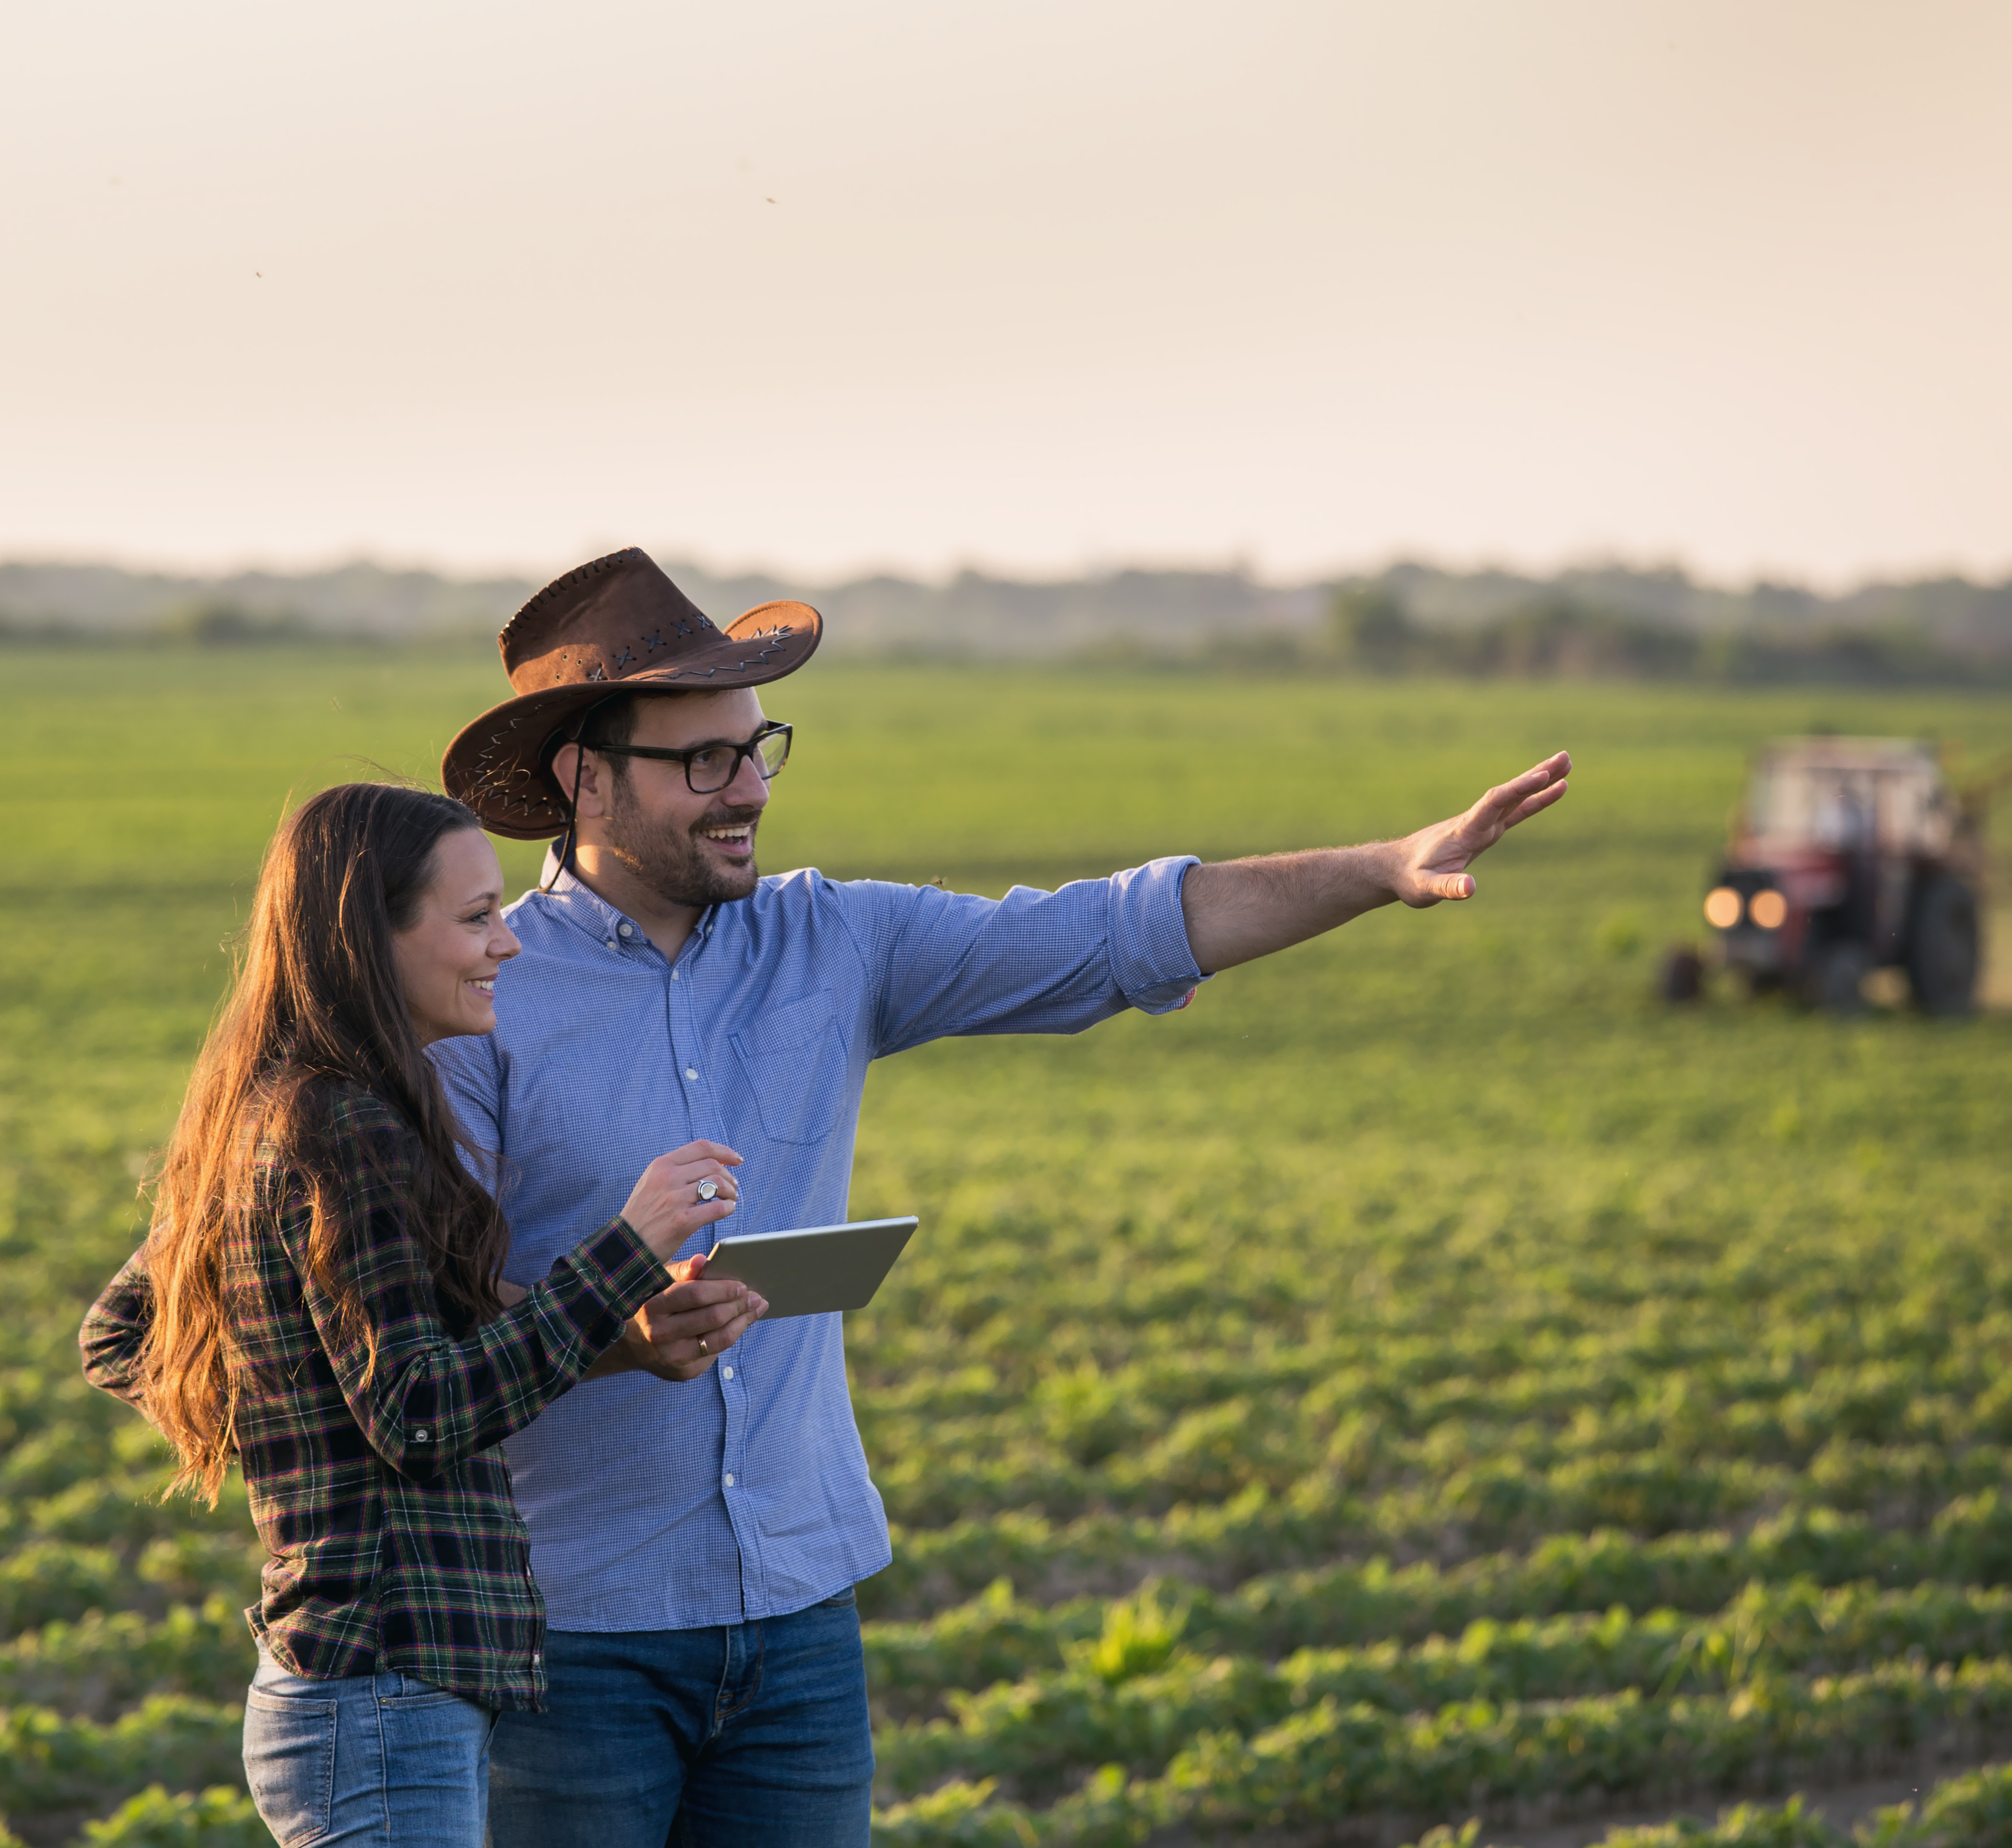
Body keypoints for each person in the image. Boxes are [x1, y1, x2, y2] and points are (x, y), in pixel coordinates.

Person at [433, 548, 1574, 1847]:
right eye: (703, 760)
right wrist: (611, 1334)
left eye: (759, 749)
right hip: (572, 1635)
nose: (748, 788)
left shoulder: (834, 939)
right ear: (585, 776)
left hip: (800, 1613)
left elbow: (1109, 930)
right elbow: (435, 1315)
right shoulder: (481, 992)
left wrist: (1379, 866)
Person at [77, 781, 771, 1847]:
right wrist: (627, 1248)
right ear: (370, 937)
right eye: (475, 917)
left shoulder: (272, 1104)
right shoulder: (346, 1126)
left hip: (349, 1690)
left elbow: (125, 1333)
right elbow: (419, 1414)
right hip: (382, 1691)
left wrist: (299, 1410)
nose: (508, 946)